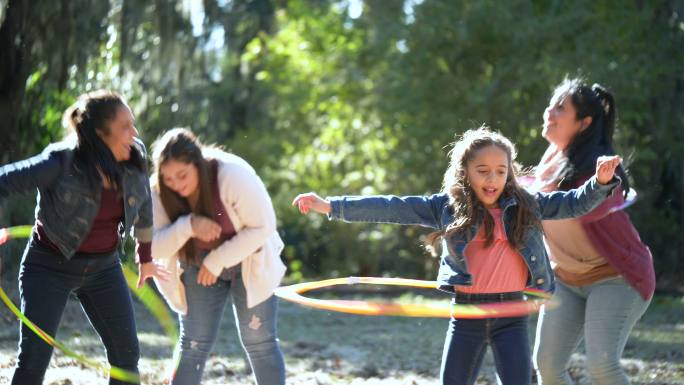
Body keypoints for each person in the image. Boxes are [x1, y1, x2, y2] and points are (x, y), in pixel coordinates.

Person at [293, 126, 623, 385]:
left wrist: (601, 181)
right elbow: (391, 206)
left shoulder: (526, 204)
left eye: (500, 170)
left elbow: (573, 203)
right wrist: (331, 206)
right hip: (467, 314)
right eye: (482, 170)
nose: (492, 179)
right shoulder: (446, 208)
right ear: (465, 171)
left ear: (509, 172)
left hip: (512, 315)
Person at [0, 90, 168, 384]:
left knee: (127, 359)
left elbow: (144, 208)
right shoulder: (61, 162)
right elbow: (6, 181)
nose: (135, 132)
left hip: (104, 268)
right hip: (48, 266)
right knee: (34, 361)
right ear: (101, 134)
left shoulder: (134, 156)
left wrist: (146, 258)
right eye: (125, 126)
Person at [531, 78, 655, 385]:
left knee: (602, 366)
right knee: (547, 365)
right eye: (551, 104)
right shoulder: (550, 160)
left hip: (616, 279)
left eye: (560, 108)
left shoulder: (599, 171)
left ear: (584, 123)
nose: (549, 112)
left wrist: (525, 196)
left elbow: (587, 206)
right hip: (567, 281)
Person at [149, 128, 286, 385]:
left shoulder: (232, 174)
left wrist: (217, 260)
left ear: (197, 163)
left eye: (182, 175)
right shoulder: (156, 193)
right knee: (193, 343)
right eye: (168, 178)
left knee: (260, 341)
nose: (176, 185)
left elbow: (263, 226)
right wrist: (188, 225)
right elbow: (153, 247)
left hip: (249, 257)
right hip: (194, 261)